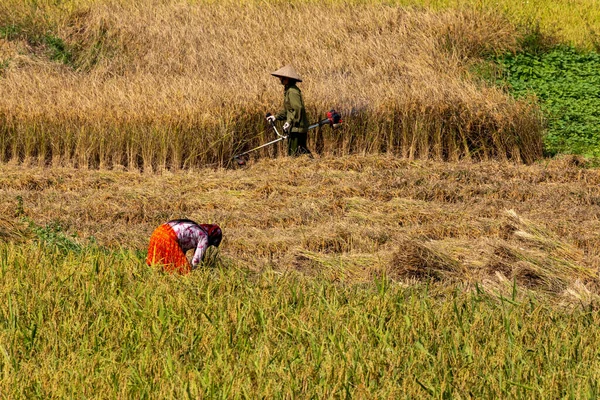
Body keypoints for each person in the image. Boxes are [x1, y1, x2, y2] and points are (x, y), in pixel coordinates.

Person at [146, 219, 222, 274]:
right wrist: (194, 274)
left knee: (157, 265)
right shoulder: (204, 237)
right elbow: (196, 261)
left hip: (158, 231)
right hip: (168, 236)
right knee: (182, 271)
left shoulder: (194, 227)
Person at [267, 64, 312, 156]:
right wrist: (276, 117)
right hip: (296, 127)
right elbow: (288, 110)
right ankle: (311, 165)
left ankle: (307, 166)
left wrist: (289, 122)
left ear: (287, 79)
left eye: (282, 78)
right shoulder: (289, 90)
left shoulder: (292, 91)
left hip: (297, 127)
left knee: (294, 153)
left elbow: (298, 108)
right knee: (301, 151)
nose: (280, 80)